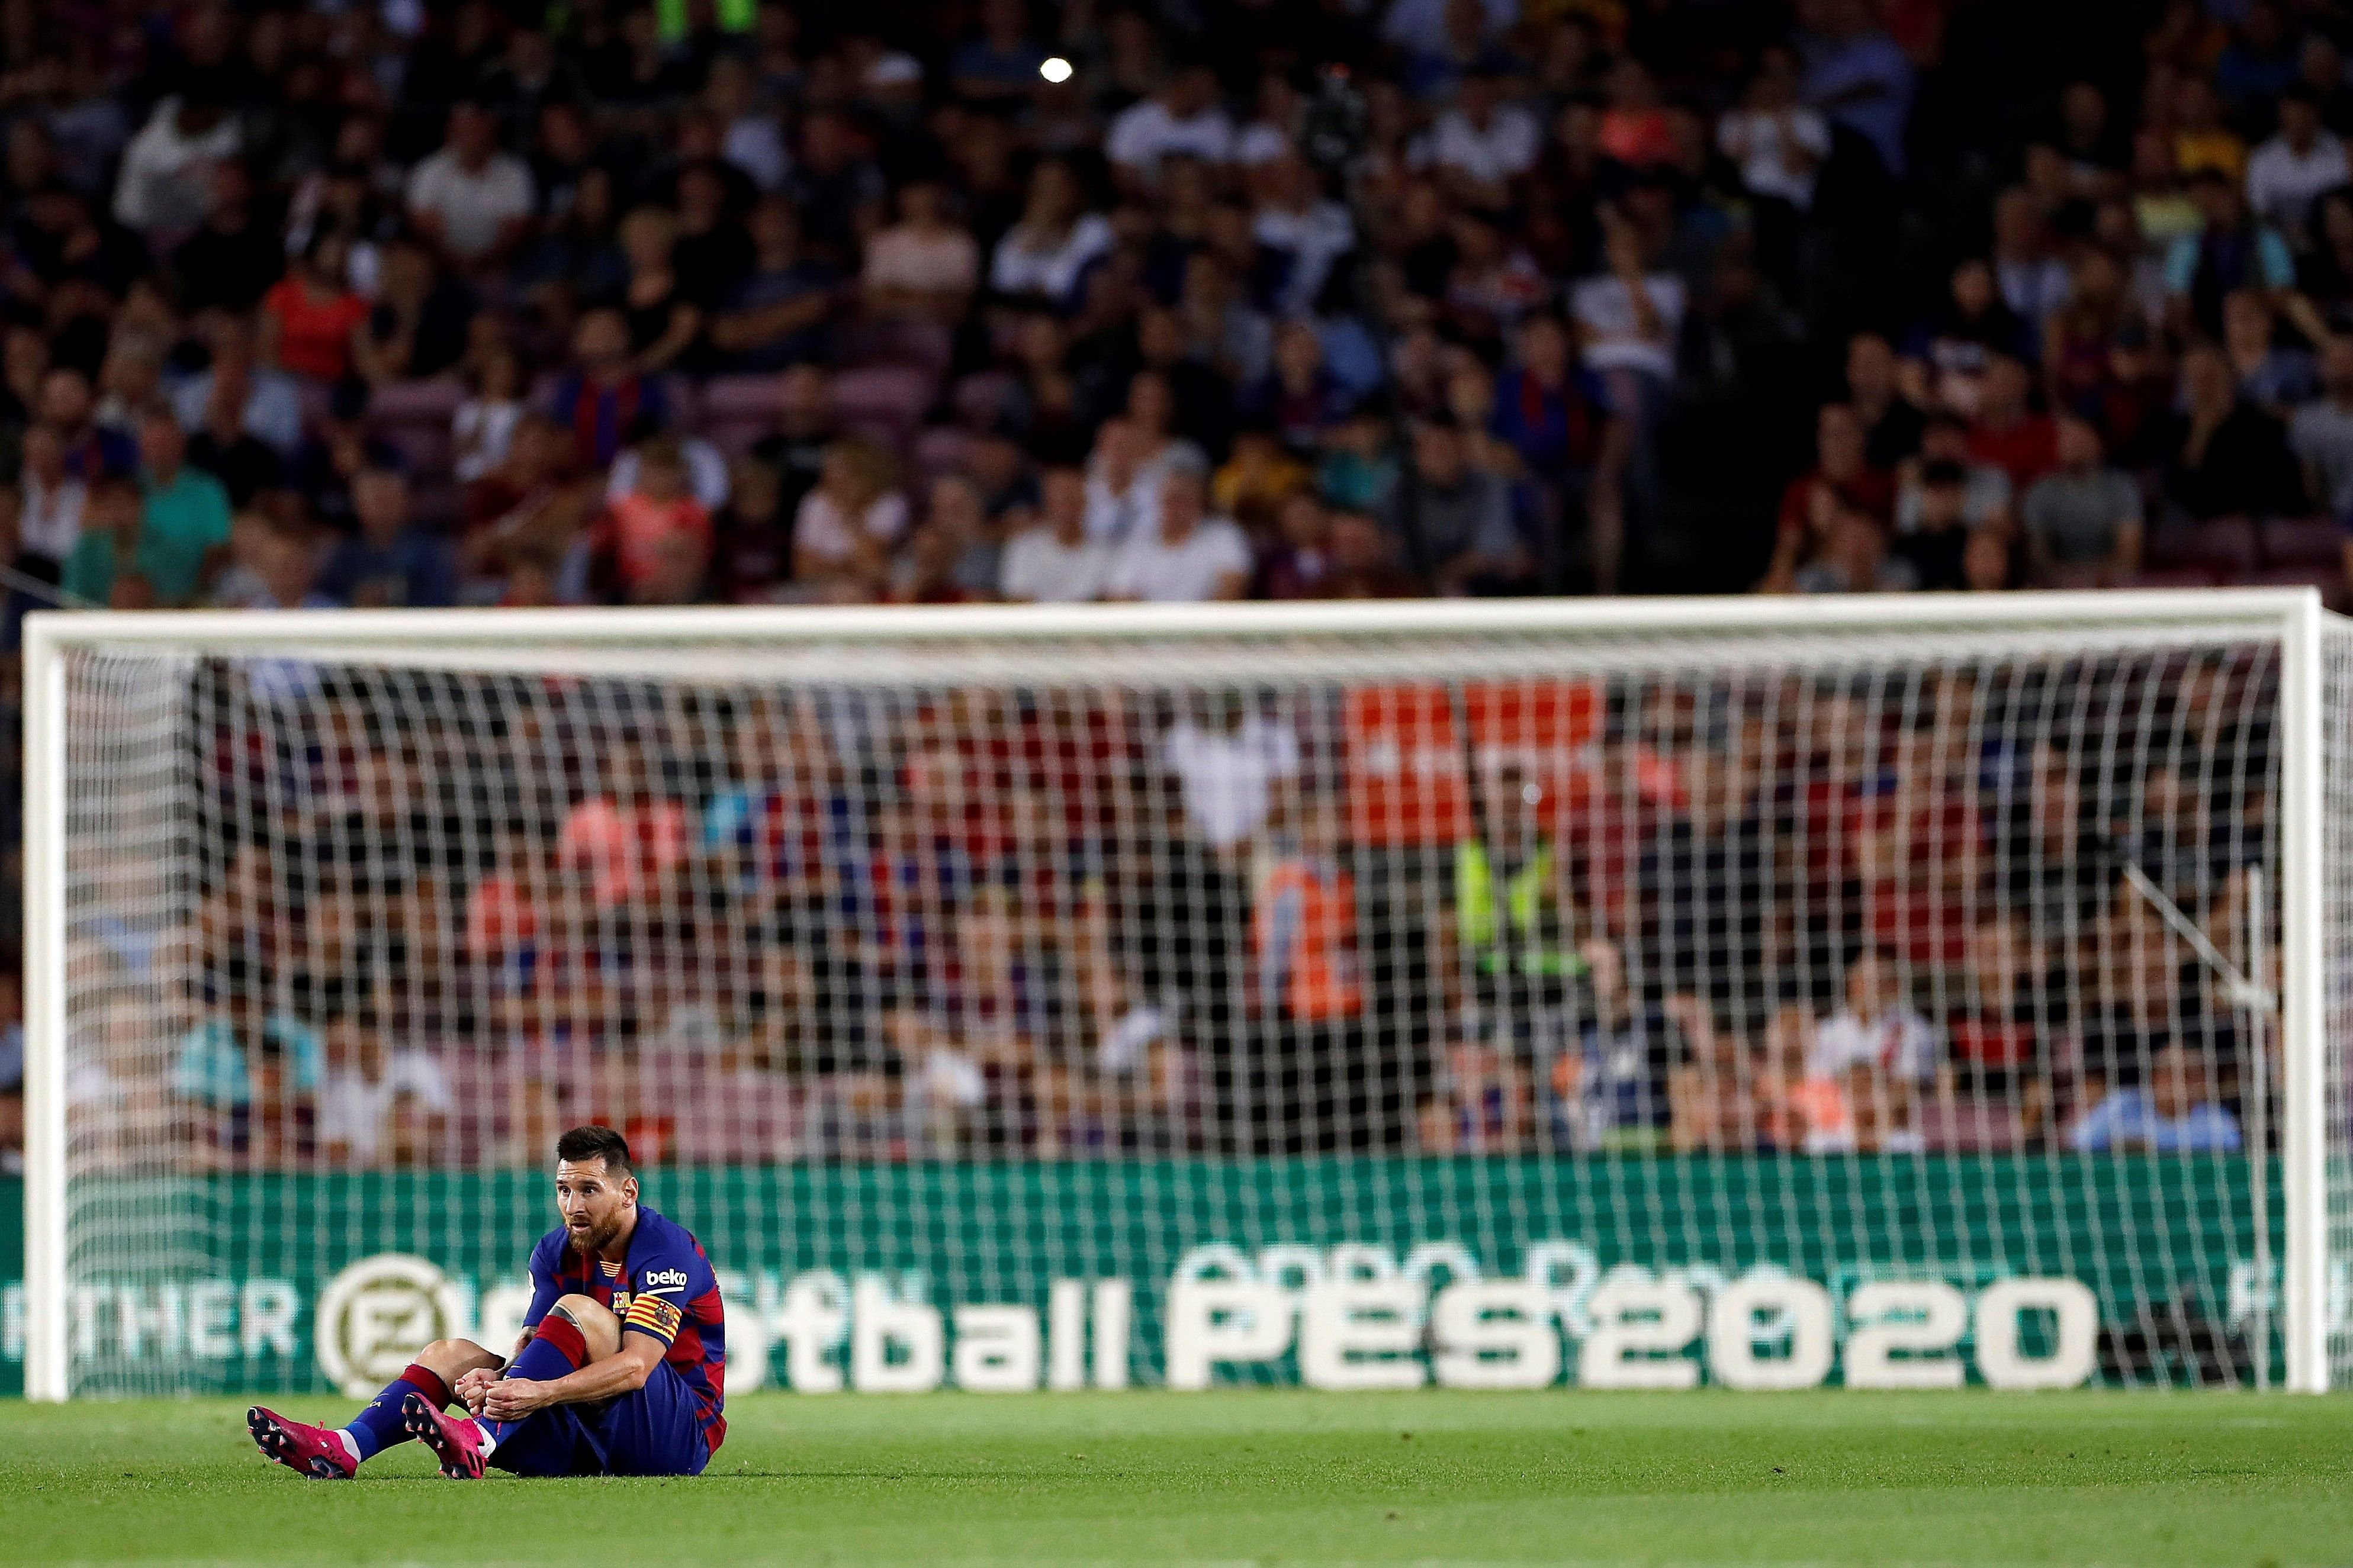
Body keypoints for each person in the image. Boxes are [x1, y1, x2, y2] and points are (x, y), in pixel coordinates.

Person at [246, 1126, 725, 1480]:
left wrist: (540, 1393)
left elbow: (637, 1368)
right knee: (447, 1355)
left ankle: (478, 1436)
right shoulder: (556, 1251)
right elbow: (537, 1345)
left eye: (589, 1190)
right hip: (587, 1434)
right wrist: (499, 1379)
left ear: (628, 1192)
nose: (573, 1205)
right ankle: (344, 1448)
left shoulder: (665, 1250)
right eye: (563, 1189)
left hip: (674, 1440)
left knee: (581, 1312)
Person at [2068, 1041, 2242, 1152]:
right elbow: (2080, 1140)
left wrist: (2145, 1144)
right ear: (2153, 1077)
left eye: (2188, 1074)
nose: (2178, 1082)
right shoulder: (2123, 1104)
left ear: (2203, 1081)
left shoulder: (2216, 1119)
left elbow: (2230, 1146)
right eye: (2170, 1073)